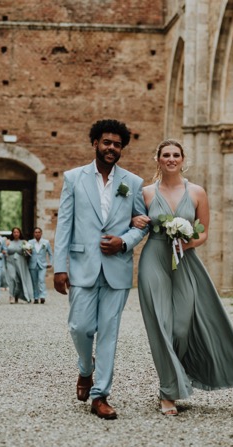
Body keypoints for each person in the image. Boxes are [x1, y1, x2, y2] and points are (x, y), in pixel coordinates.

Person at [135, 139, 233, 416]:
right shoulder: (145, 193)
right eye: (166, 155)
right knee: (160, 323)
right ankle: (168, 392)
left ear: (183, 159)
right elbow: (136, 224)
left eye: (176, 155)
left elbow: (203, 231)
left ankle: (181, 373)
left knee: (181, 326)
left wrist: (188, 242)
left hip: (184, 260)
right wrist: (135, 222)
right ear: (157, 159)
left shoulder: (196, 192)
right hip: (154, 260)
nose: (171, 159)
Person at [53, 119, 149, 420]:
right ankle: (85, 370)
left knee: (109, 333)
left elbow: (142, 223)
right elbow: (64, 223)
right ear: (95, 143)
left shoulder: (132, 182)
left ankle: (101, 395)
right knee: (79, 327)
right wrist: (59, 266)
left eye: (117, 144)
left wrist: (124, 241)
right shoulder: (73, 178)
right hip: (82, 265)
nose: (112, 148)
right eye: (107, 142)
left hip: (117, 269)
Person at [5, 227, 34, 304]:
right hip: (10, 262)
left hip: (21, 262)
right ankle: (11, 296)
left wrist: (28, 250)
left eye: (17, 232)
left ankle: (17, 295)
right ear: (12, 233)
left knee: (19, 280)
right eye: (14, 232)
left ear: (20, 233)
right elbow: (3, 251)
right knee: (12, 277)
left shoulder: (24, 242)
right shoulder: (8, 241)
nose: (16, 233)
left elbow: (29, 253)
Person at [28, 227, 53, 304]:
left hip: (43, 264)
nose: (37, 233)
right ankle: (35, 297)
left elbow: (50, 254)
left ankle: (42, 296)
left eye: (39, 232)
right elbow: (27, 254)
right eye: (36, 232)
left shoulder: (46, 242)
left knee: (41, 280)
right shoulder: (30, 242)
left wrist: (50, 263)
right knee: (34, 281)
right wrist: (28, 252)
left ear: (41, 233)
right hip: (33, 264)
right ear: (33, 234)